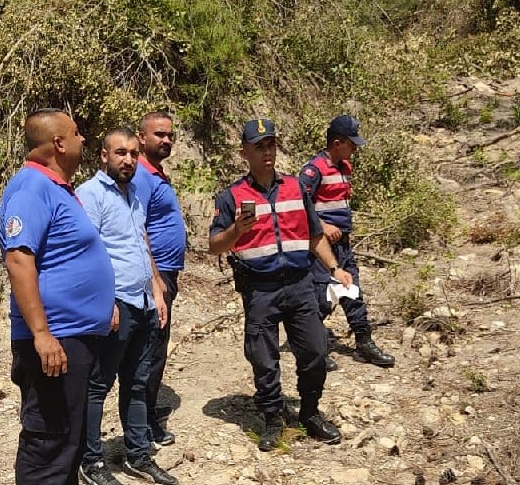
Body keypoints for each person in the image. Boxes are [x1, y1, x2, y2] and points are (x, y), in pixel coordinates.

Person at [0, 109, 115, 485]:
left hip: (78, 335)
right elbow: (20, 261)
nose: (84, 137)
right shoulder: (30, 188)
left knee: (67, 438)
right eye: (76, 133)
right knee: (46, 438)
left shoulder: (60, 189)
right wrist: (43, 333)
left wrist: (102, 303)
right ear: (59, 144)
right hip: (53, 339)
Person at [208, 118, 352, 453]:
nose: (267, 152)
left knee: (316, 352)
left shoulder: (295, 188)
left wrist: (334, 268)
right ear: (244, 153)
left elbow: (315, 235)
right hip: (260, 288)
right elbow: (215, 245)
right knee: (264, 359)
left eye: (271, 144)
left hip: (300, 284)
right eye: (259, 146)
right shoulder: (231, 197)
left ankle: (310, 413)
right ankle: (272, 418)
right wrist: (236, 231)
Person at [76, 128, 175, 485]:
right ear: (103, 155)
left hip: (144, 301)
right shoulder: (90, 194)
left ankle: (138, 454)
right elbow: (87, 253)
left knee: (137, 382)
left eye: (134, 153)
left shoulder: (135, 192)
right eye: (121, 152)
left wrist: (157, 288)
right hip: (115, 304)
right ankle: (92, 461)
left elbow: (140, 240)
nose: (129, 160)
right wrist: (104, 302)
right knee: (98, 385)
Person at [298, 115, 395, 370]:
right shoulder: (313, 170)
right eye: (351, 144)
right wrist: (323, 225)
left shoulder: (343, 167)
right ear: (337, 143)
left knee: (353, 290)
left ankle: (364, 341)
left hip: (343, 244)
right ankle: (314, 347)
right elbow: (299, 206)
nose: (354, 149)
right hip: (322, 245)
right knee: (322, 297)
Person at [133, 110, 188, 449]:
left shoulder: (155, 174)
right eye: (159, 134)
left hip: (165, 273)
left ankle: (147, 411)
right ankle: (144, 421)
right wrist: (155, 277)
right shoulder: (140, 175)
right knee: (151, 350)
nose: (166, 140)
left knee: (156, 347)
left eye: (170, 135)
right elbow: (137, 229)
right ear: (142, 137)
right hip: (156, 276)